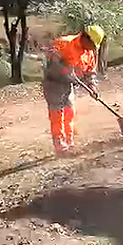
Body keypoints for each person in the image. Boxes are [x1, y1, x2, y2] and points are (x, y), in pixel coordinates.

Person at [42, 25, 105, 155]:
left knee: (70, 111)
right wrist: (62, 67)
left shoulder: (89, 53)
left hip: (68, 85)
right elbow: (50, 56)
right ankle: (59, 142)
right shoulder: (65, 43)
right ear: (85, 38)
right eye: (92, 45)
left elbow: (90, 73)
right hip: (54, 83)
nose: (92, 48)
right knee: (57, 112)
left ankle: (69, 139)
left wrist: (92, 86)